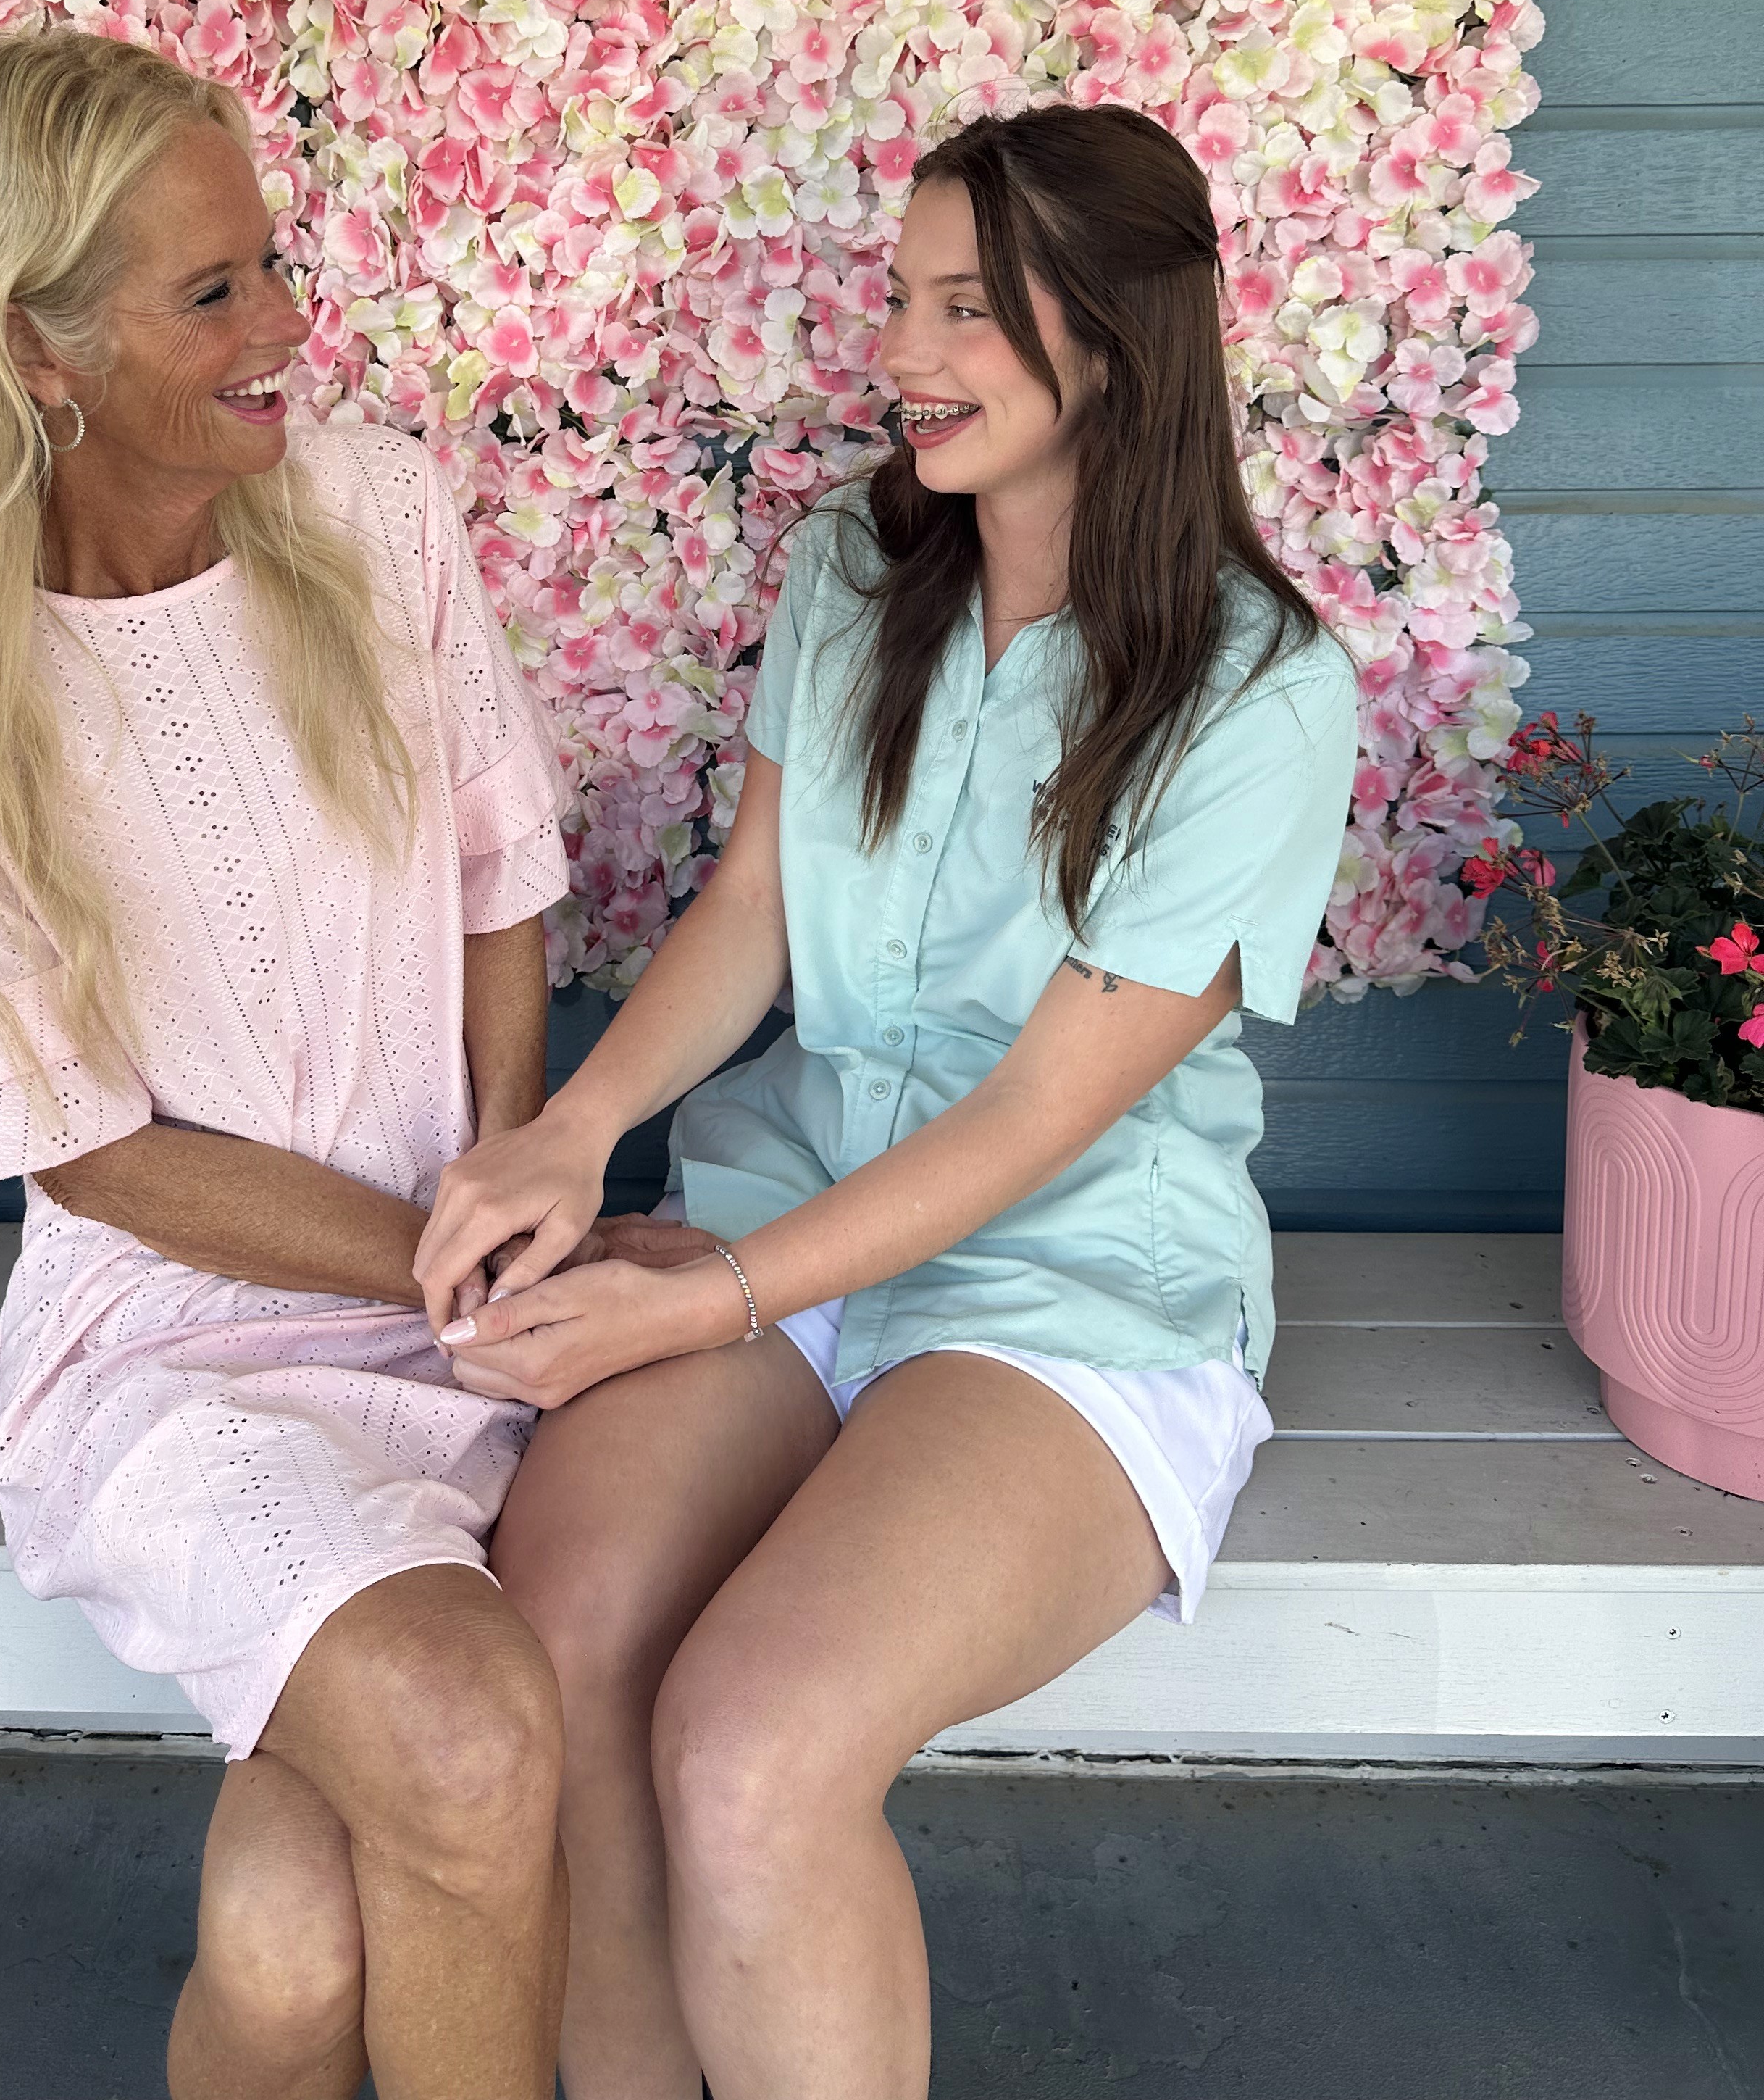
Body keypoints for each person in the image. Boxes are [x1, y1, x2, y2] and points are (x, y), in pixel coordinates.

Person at [414, 104, 1363, 2100]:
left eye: (967, 310)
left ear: (1118, 334)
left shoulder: (1264, 689)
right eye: (901, 299)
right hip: (788, 1228)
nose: (905, 356)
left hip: (1071, 1300)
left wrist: (705, 1297)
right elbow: (754, 907)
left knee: (755, 1750)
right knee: (569, 1647)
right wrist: (577, 1129)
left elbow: (1037, 1118)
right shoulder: (863, 565)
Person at [0, 25, 653, 2100]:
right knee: (458, 1736)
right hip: (166, 1367)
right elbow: (84, 1153)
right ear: (38, 351)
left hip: (464, 1320)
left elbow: (501, 878)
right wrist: (456, 1267)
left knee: (286, 1945)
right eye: (213, 291)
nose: (286, 325)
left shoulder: (369, 507)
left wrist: (505, 1183)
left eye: (273, 261)